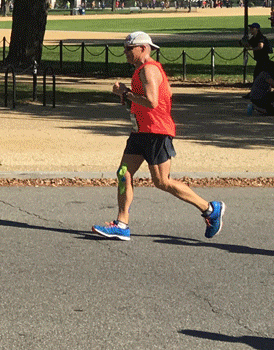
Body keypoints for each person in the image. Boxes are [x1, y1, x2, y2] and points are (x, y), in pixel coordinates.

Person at [91, 31, 224, 241]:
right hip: (140, 131)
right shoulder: (143, 70)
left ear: (143, 48)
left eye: (129, 48)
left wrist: (125, 93)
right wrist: (127, 96)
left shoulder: (149, 70)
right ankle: (121, 224)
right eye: (125, 48)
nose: (125, 52)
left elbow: (152, 102)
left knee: (162, 182)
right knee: (124, 173)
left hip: (156, 132)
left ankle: (210, 209)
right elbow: (163, 95)